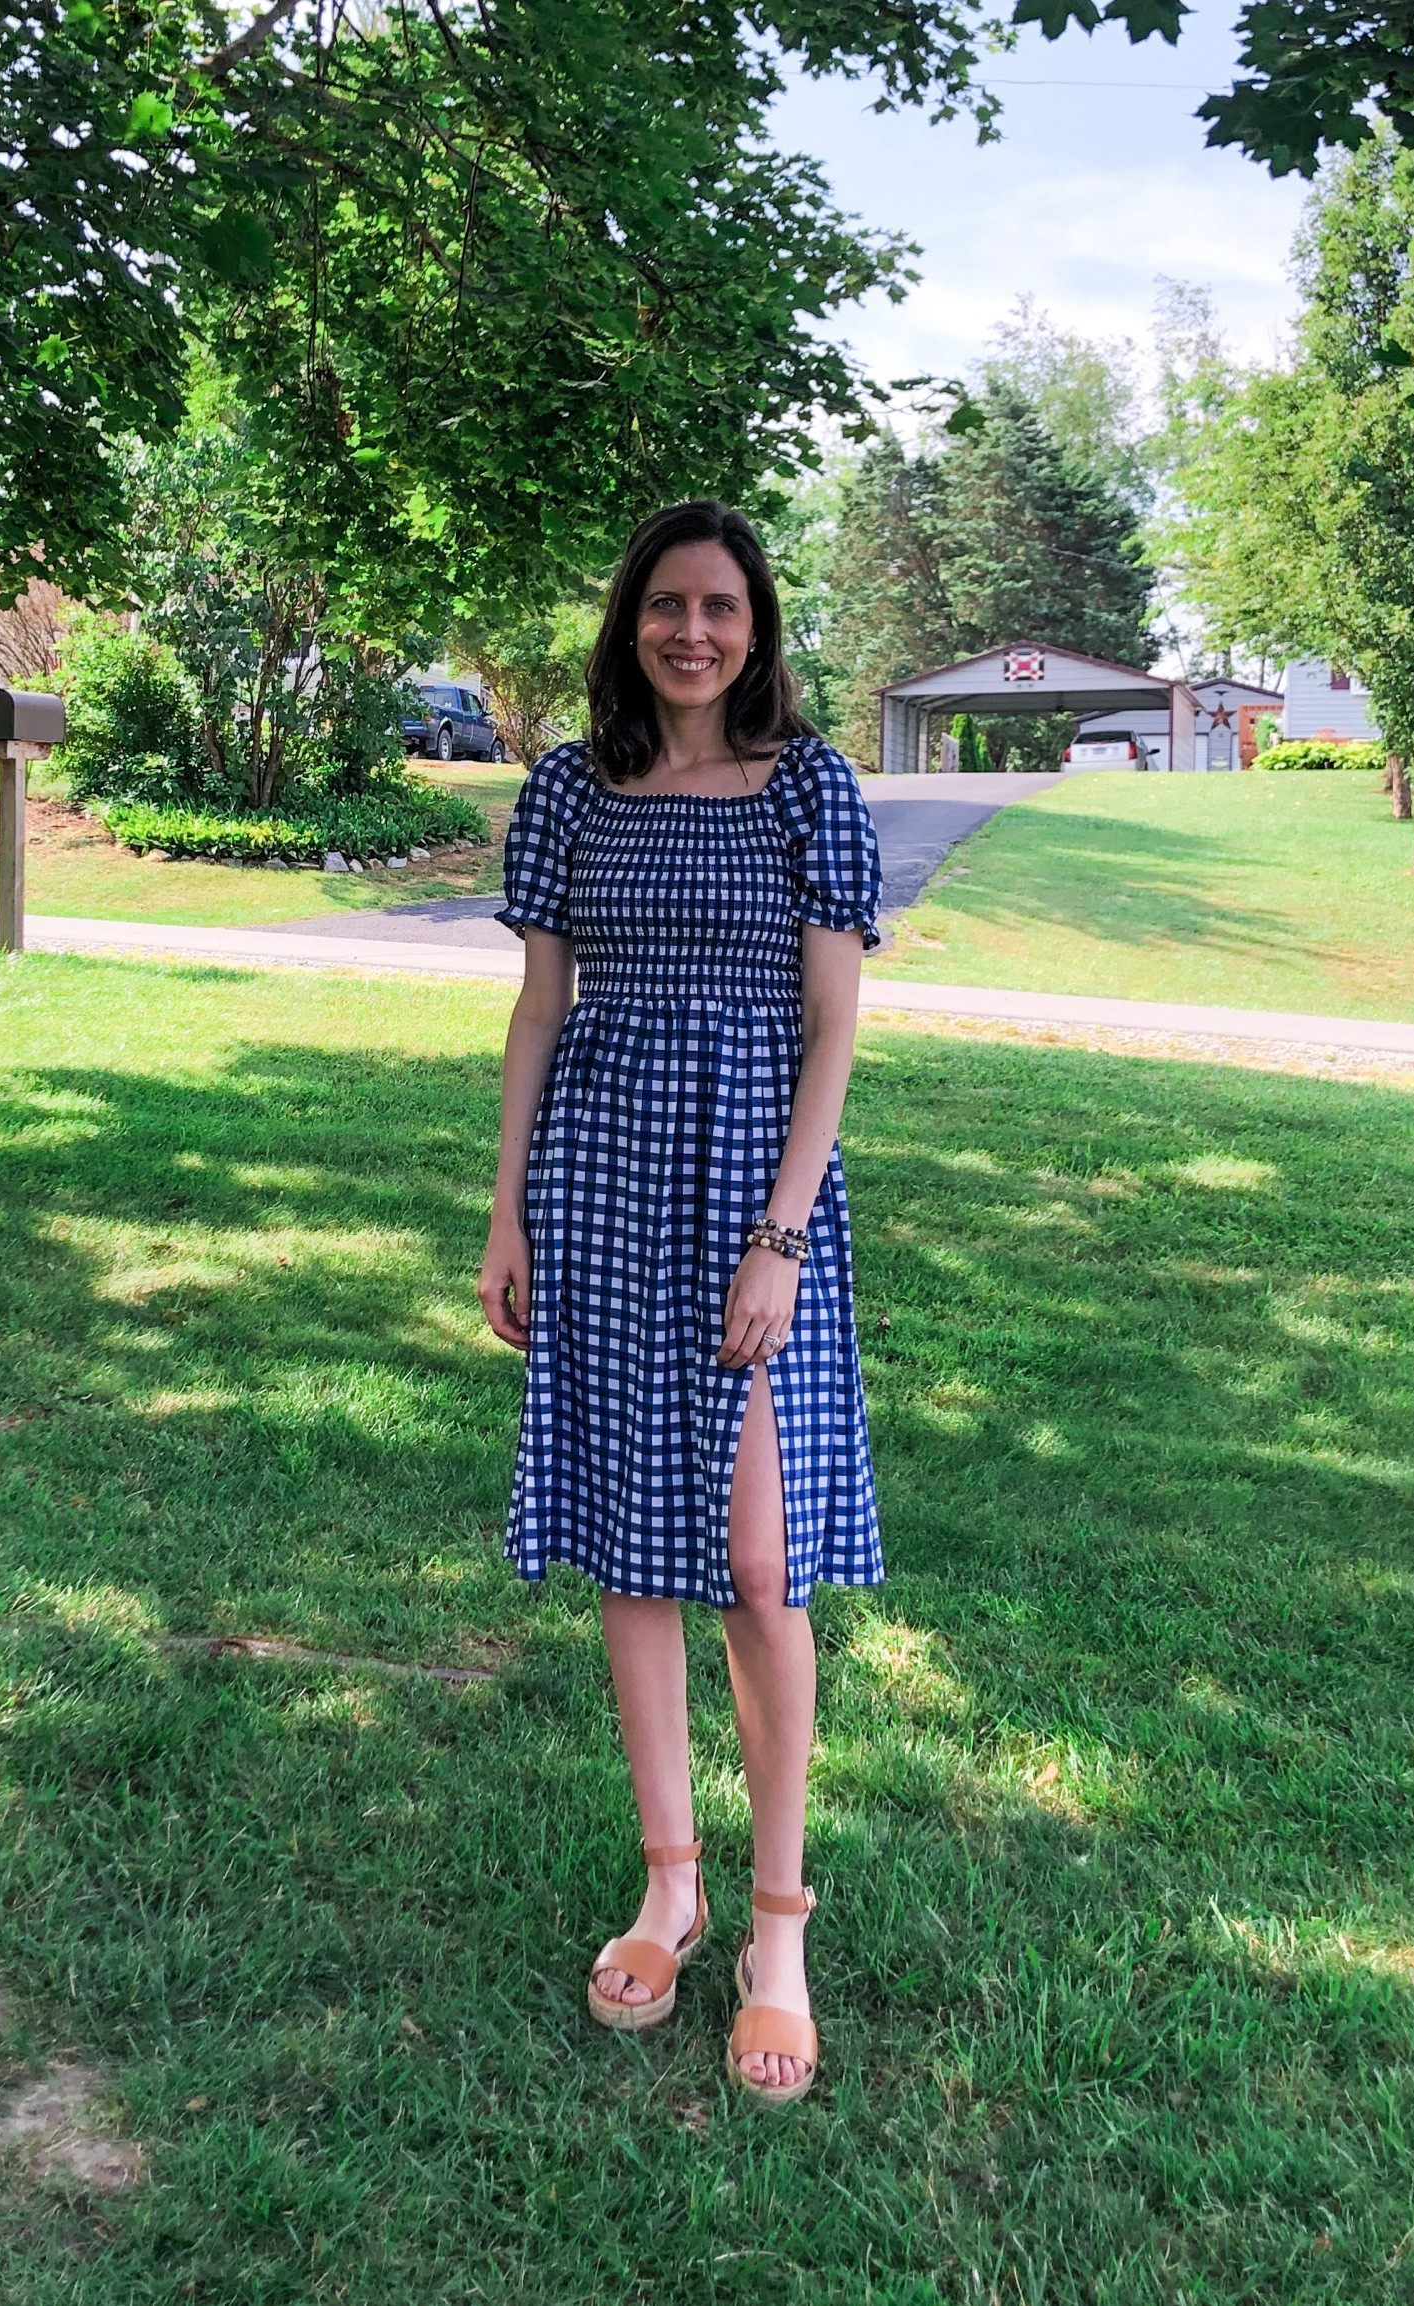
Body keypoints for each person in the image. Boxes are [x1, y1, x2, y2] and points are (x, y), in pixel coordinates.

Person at [478, 499, 883, 2106]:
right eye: (666, 604)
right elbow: (537, 1000)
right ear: (628, 621)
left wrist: (779, 1235)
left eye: (720, 605)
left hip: (748, 1201)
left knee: (759, 1557)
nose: (693, 631)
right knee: (624, 1531)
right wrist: (505, 1203)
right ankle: (671, 1878)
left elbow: (834, 1028)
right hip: (593, 1183)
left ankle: (776, 1921)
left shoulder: (811, 787)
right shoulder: (572, 785)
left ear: (758, 623)